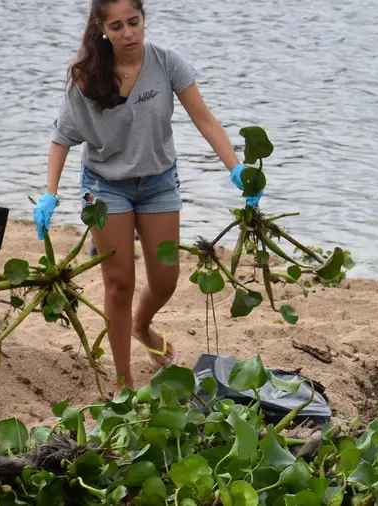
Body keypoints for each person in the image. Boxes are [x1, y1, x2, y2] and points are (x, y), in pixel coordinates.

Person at [32, 0, 260, 389]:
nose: (128, 34)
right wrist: (49, 194)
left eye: (134, 23)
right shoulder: (87, 76)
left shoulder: (168, 63)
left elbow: (204, 119)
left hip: (157, 181)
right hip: (104, 185)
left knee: (166, 278)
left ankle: (142, 325)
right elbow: (61, 138)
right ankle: (123, 384)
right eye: (117, 26)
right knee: (119, 282)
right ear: (102, 29)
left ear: (144, 18)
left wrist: (236, 168)